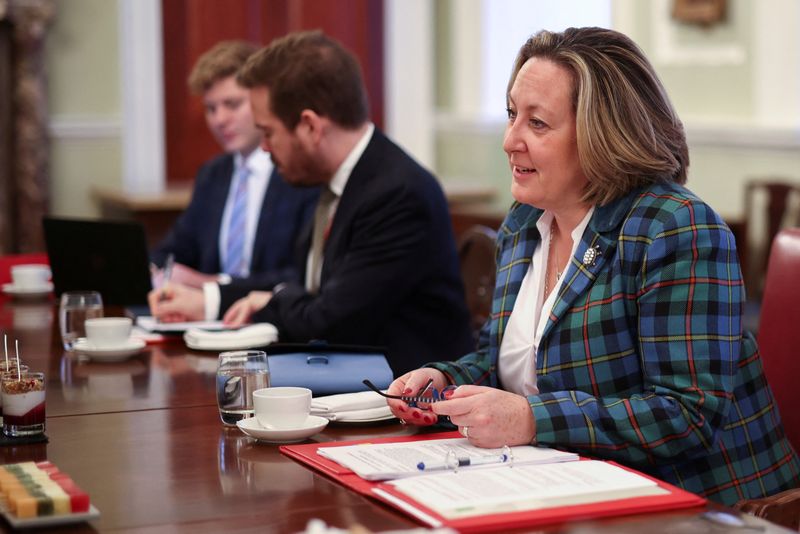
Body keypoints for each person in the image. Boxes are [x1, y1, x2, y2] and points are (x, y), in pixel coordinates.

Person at [385, 27, 799, 505]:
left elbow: (687, 416)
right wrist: (444, 381)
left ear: (602, 135)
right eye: (511, 115)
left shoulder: (674, 227)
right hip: (563, 487)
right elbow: (509, 361)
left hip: (706, 506)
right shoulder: (525, 223)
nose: (510, 140)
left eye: (537, 124)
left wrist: (531, 419)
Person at [151, 31, 474, 375]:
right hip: (349, 379)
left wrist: (275, 300)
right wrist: (268, 299)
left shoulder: (396, 193)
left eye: (269, 133)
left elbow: (327, 320)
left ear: (309, 127)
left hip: (407, 402)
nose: (264, 148)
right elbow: (311, 292)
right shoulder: (339, 179)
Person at [150, 41, 318, 312]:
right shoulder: (213, 174)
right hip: (206, 328)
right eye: (211, 108)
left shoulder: (300, 172)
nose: (219, 119)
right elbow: (175, 248)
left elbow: (301, 275)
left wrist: (212, 285)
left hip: (273, 325)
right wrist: (157, 271)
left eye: (232, 104)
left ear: (262, 101)